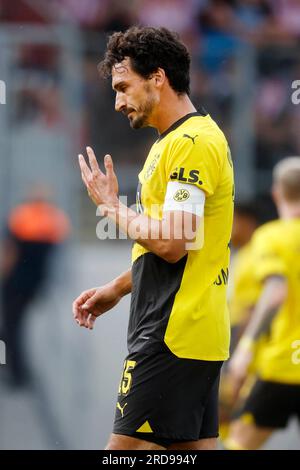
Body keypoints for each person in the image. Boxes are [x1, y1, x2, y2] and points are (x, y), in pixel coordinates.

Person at [73, 26, 234, 450]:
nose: (117, 101)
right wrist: (119, 287)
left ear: (158, 77)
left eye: (123, 86)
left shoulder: (193, 142)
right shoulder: (173, 144)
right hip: (190, 330)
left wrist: (112, 207)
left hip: (171, 333)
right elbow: (169, 244)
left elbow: (173, 242)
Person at [225, 157, 300, 450]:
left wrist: (245, 350)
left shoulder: (269, 237)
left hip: (282, 363)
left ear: (276, 193)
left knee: (239, 445)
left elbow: (275, 291)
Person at [0, 186, 70, 387]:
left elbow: (9, 251)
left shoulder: (20, 217)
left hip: (14, 282)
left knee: (12, 326)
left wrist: (3, 275)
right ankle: (17, 369)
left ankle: (16, 373)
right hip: (35, 284)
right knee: (13, 325)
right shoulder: (55, 219)